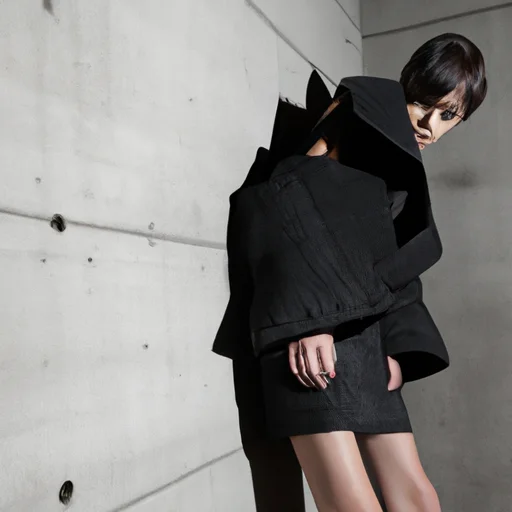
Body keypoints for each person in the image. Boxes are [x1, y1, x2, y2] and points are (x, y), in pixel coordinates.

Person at [213, 33, 487, 512]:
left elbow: (390, 261)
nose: (429, 124)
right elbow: (289, 195)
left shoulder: (400, 155)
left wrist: (399, 350)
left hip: (365, 338)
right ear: (407, 83)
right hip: (310, 336)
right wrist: (309, 321)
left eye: (448, 115)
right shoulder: (359, 108)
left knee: (420, 501)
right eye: (423, 104)